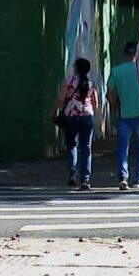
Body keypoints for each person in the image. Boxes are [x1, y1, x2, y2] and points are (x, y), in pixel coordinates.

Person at [107, 42, 139, 190]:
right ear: (137, 54)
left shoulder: (116, 71)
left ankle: (123, 178)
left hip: (123, 114)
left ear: (124, 54)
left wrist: (115, 107)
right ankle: (138, 179)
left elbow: (110, 94)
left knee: (122, 147)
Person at [54, 58, 98, 190]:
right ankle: (85, 179)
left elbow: (61, 99)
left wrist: (53, 111)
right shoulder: (90, 83)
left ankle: (72, 175)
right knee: (87, 148)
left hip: (71, 117)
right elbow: (95, 103)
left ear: (76, 68)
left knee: (72, 145)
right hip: (87, 117)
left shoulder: (68, 81)